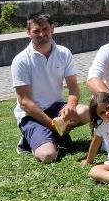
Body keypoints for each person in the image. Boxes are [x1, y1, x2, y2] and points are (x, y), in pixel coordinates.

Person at [11, 14, 89, 163]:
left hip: (56, 107)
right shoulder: (21, 60)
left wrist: (70, 106)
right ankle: (28, 143)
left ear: (52, 29)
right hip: (32, 114)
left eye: (45, 29)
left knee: (85, 112)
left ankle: (52, 135)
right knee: (48, 156)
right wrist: (53, 125)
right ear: (28, 34)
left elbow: (73, 88)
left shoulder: (64, 53)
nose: (42, 34)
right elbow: (25, 102)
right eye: (36, 31)